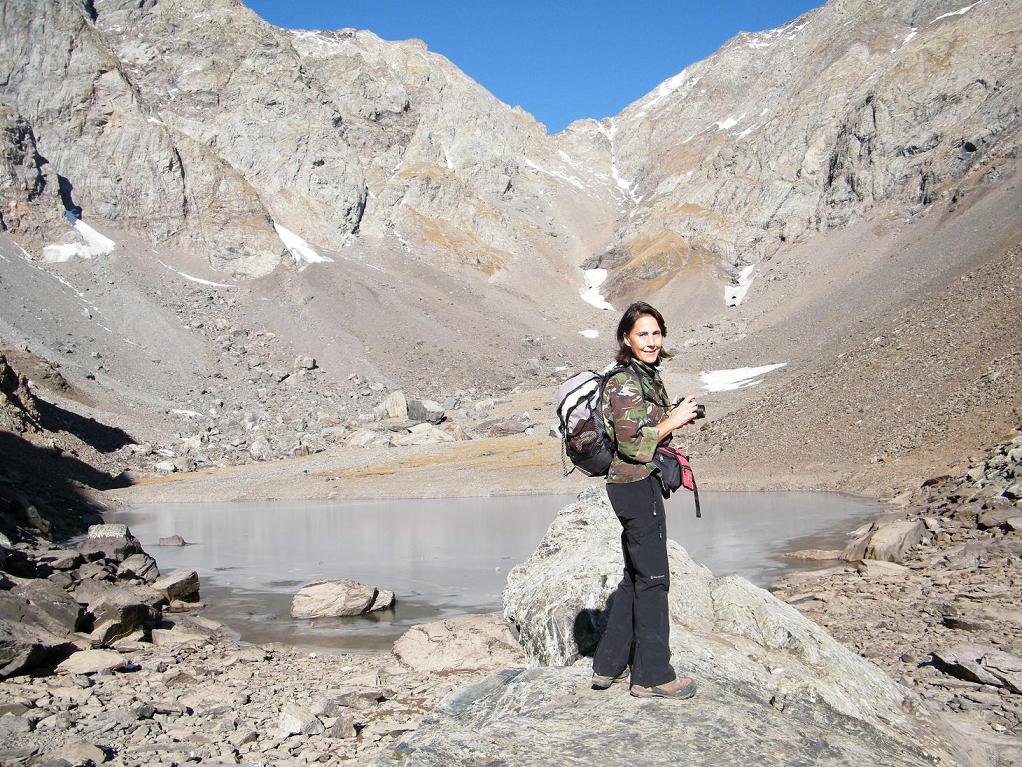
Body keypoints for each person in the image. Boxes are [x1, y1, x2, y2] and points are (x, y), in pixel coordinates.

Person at [591, 301, 699, 699]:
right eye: (643, 334)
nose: (651, 341)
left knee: (636, 575)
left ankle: (607, 665)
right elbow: (633, 444)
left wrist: (669, 414)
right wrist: (676, 420)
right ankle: (652, 675)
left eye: (656, 333)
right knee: (654, 579)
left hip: (636, 485)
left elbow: (645, 427)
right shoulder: (624, 382)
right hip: (634, 485)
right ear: (626, 338)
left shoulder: (645, 377)